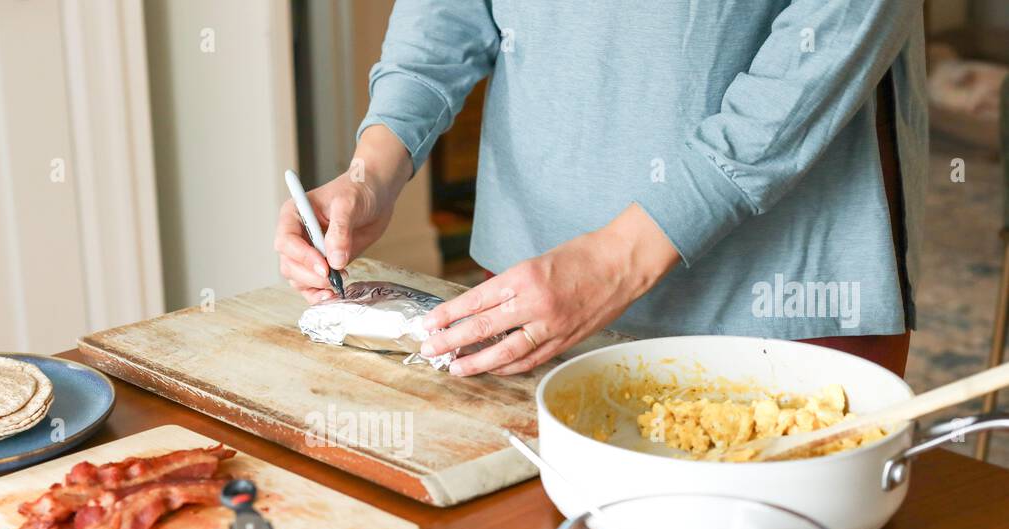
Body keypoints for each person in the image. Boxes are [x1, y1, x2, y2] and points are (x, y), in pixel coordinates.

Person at [274, 0, 927, 378]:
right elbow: (444, 17)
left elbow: (835, 35)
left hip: (776, 292)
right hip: (529, 290)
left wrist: (617, 260)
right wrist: (375, 170)